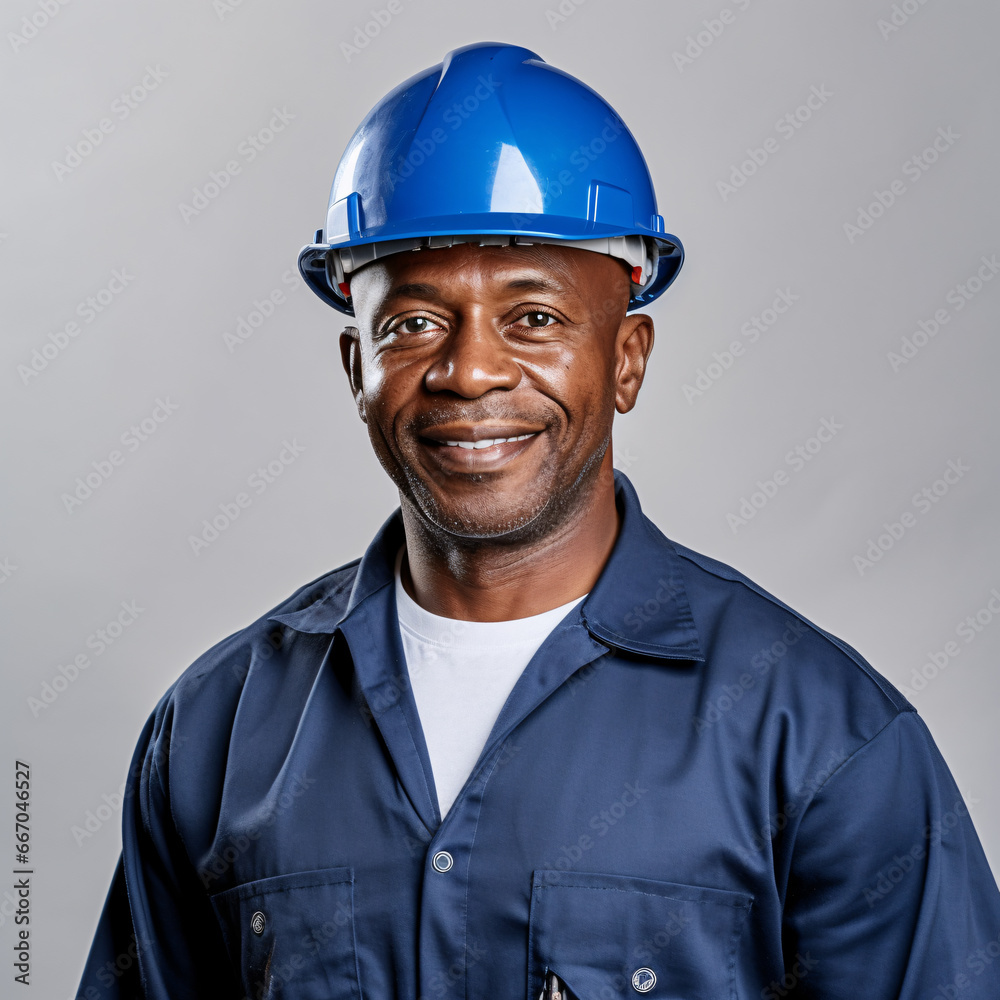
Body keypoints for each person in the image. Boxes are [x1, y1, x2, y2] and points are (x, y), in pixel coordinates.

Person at [77, 42, 1000, 1000]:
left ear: (627, 358)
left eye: (535, 319)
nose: (469, 372)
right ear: (357, 369)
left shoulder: (823, 739)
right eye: (413, 324)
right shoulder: (215, 731)